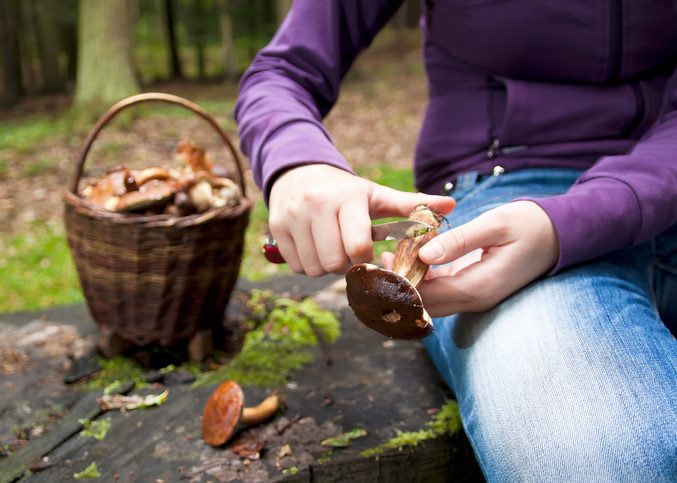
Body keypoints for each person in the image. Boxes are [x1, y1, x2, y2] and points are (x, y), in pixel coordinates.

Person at [235, 1, 677, 480]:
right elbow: (282, 71)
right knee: (598, 452)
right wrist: (296, 161)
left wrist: (573, 222)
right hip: (508, 194)